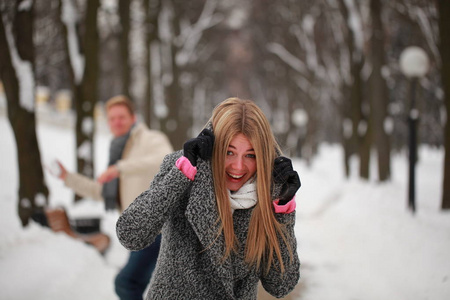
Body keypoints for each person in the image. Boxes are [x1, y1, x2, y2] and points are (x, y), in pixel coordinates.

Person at [116, 97, 301, 299]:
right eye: (229, 152)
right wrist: (180, 176)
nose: (238, 166)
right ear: (215, 147)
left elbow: (281, 285)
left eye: (251, 155)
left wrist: (283, 209)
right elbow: (130, 235)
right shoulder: (184, 170)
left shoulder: (268, 192)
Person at [52, 95, 173, 300]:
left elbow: (166, 159)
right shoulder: (119, 150)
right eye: (112, 118)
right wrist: (68, 178)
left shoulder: (151, 138)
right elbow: (102, 191)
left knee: (126, 283)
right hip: (140, 232)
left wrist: (119, 169)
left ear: (133, 118)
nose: (116, 122)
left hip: (160, 229)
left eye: (121, 117)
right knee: (147, 286)